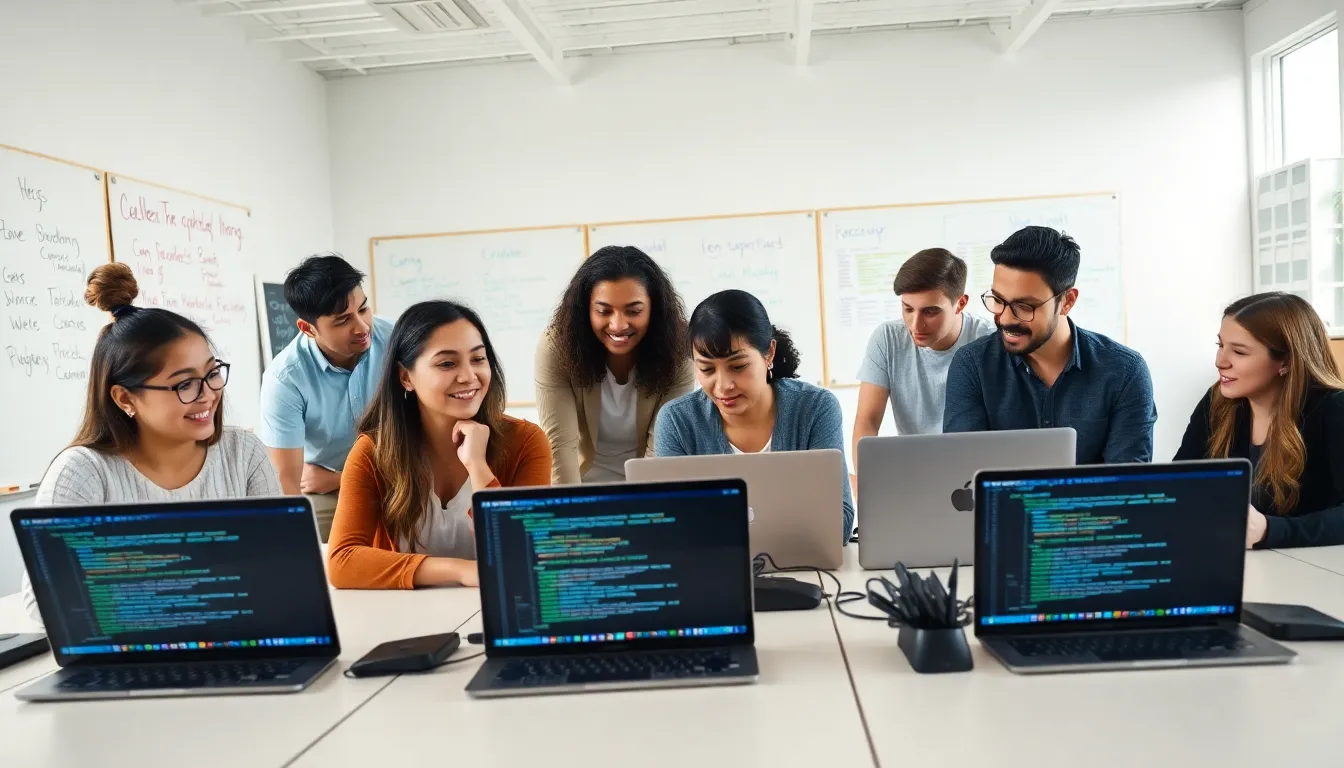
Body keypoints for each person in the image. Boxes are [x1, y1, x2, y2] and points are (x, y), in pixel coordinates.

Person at [19, 263, 280, 626]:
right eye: (184, 384)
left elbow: (277, 569)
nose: (208, 395)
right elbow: (42, 601)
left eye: (212, 373)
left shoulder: (244, 454)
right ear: (125, 398)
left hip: (236, 635)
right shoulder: (81, 473)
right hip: (126, 654)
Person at [326, 300, 552, 589]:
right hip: (407, 617)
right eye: (447, 363)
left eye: (478, 359)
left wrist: (479, 468)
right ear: (406, 377)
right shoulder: (373, 452)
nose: (469, 376)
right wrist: (461, 571)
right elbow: (342, 561)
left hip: (495, 610)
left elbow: (523, 554)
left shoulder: (526, 441)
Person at [652, 289, 855, 542]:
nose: (723, 385)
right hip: (715, 574)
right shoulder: (677, 421)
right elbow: (668, 527)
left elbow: (840, 523)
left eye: (738, 367)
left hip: (806, 571)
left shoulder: (815, 409)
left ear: (768, 353)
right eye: (706, 369)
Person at [943, 226, 1156, 464]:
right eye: (998, 300)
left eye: (1025, 307)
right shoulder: (972, 365)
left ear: (1067, 301)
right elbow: (962, 474)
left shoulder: (1124, 372)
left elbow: (1127, 484)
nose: (1005, 318)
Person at [1174, 293, 1344, 549]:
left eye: (1239, 352)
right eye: (1220, 345)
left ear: (1285, 362)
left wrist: (1268, 530)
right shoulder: (1217, 402)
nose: (1220, 362)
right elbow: (1181, 483)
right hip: (1234, 562)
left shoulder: (1334, 410)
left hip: (1314, 570)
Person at [535, 246, 694, 484]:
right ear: (585, 311)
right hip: (581, 484)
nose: (618, 325)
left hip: (647, 484)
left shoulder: (678, 347)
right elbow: (560, 446)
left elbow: (660, 448)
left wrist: (642, 512)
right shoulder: (557, 346)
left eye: (634, 311)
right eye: (603, 311)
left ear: (654, 309)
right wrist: (570, 514)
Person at [258, 254, 393, 496]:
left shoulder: (397, 339)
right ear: (308, 329)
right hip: (328, 493)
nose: (362, 327)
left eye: (363, 309)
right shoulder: (284, 380)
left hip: (394, 479)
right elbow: (287, 482)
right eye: (343, 321)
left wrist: (342, 478)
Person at [851, 248, 994, 473]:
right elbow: (866, 421)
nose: (915, 325)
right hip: (916, 471)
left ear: (961, 303)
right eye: (908, 309)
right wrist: (867, 482)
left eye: (930, 312)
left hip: (977, 470)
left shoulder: (989, 340)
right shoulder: (887, 338)